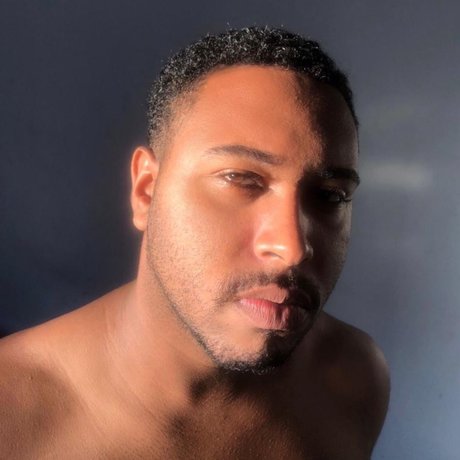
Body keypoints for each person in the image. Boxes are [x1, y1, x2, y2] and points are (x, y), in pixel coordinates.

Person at [0, 27, 390, 459]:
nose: (292, 249)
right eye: (241, 179)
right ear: (146, 190)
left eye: (331, 196)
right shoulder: (11, 415)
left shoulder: (353, 379)